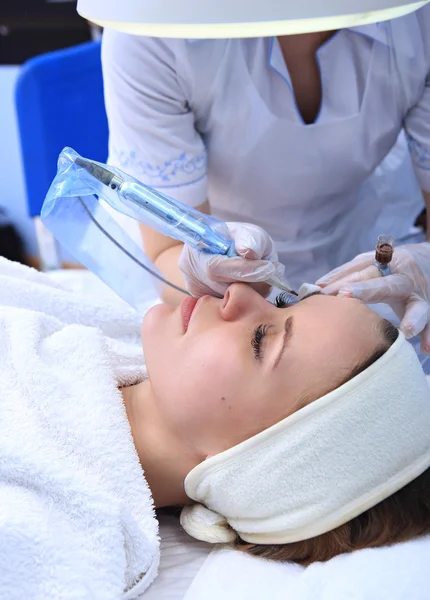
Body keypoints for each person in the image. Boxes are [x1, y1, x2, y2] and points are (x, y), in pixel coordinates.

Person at [1, 257, 430, 598]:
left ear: (246, 465)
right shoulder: (97, 331)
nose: (239, 293)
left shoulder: (41, 522)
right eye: (283, 303)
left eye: (260, 339)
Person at [101, 5, 430, 344]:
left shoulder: (417, 18)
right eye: (263, 346)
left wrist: (426, 265)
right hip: (195, 271)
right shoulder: (154, 27)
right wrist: (206, 275)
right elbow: (165, 250)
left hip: (359, 244)